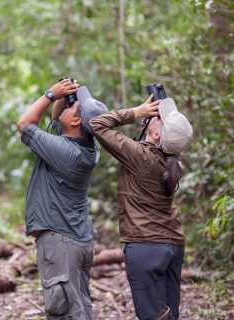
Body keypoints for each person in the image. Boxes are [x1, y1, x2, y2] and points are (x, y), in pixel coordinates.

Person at [90, 95, 193, 320]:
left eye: (158, 118)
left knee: (152, 315)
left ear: (156, 134)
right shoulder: (172, 162)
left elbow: (97, 124)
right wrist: (150, 117)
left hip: (146, 246)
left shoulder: (141, 156)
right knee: (168, 314)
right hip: (173, 244)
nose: (154, 115)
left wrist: (136, 112)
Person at [17, 78, 108, 320]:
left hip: (61, 242)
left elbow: (25, 124)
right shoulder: (84, 147)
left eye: (72, 107)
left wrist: (50, 94)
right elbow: (58, 122)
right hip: (76, 240)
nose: (66, 107)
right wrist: (63, 96)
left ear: (77, 121)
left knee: (65, 312)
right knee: (78, 308)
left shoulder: (66, 153)